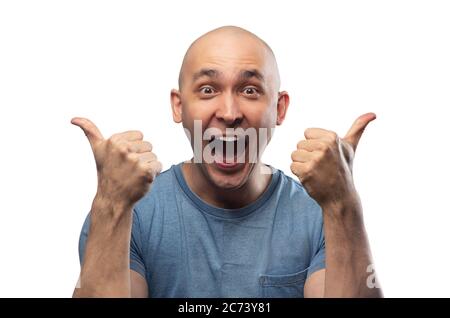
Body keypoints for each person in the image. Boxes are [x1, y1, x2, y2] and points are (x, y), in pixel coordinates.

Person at [72, 26, 382, 298]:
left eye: (250, 90)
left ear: (279, 108)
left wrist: (344, 205)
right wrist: (111, 204)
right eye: (208, 90)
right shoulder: (130, 215)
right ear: (179, 107)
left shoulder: (321, 216)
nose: (230, 113)